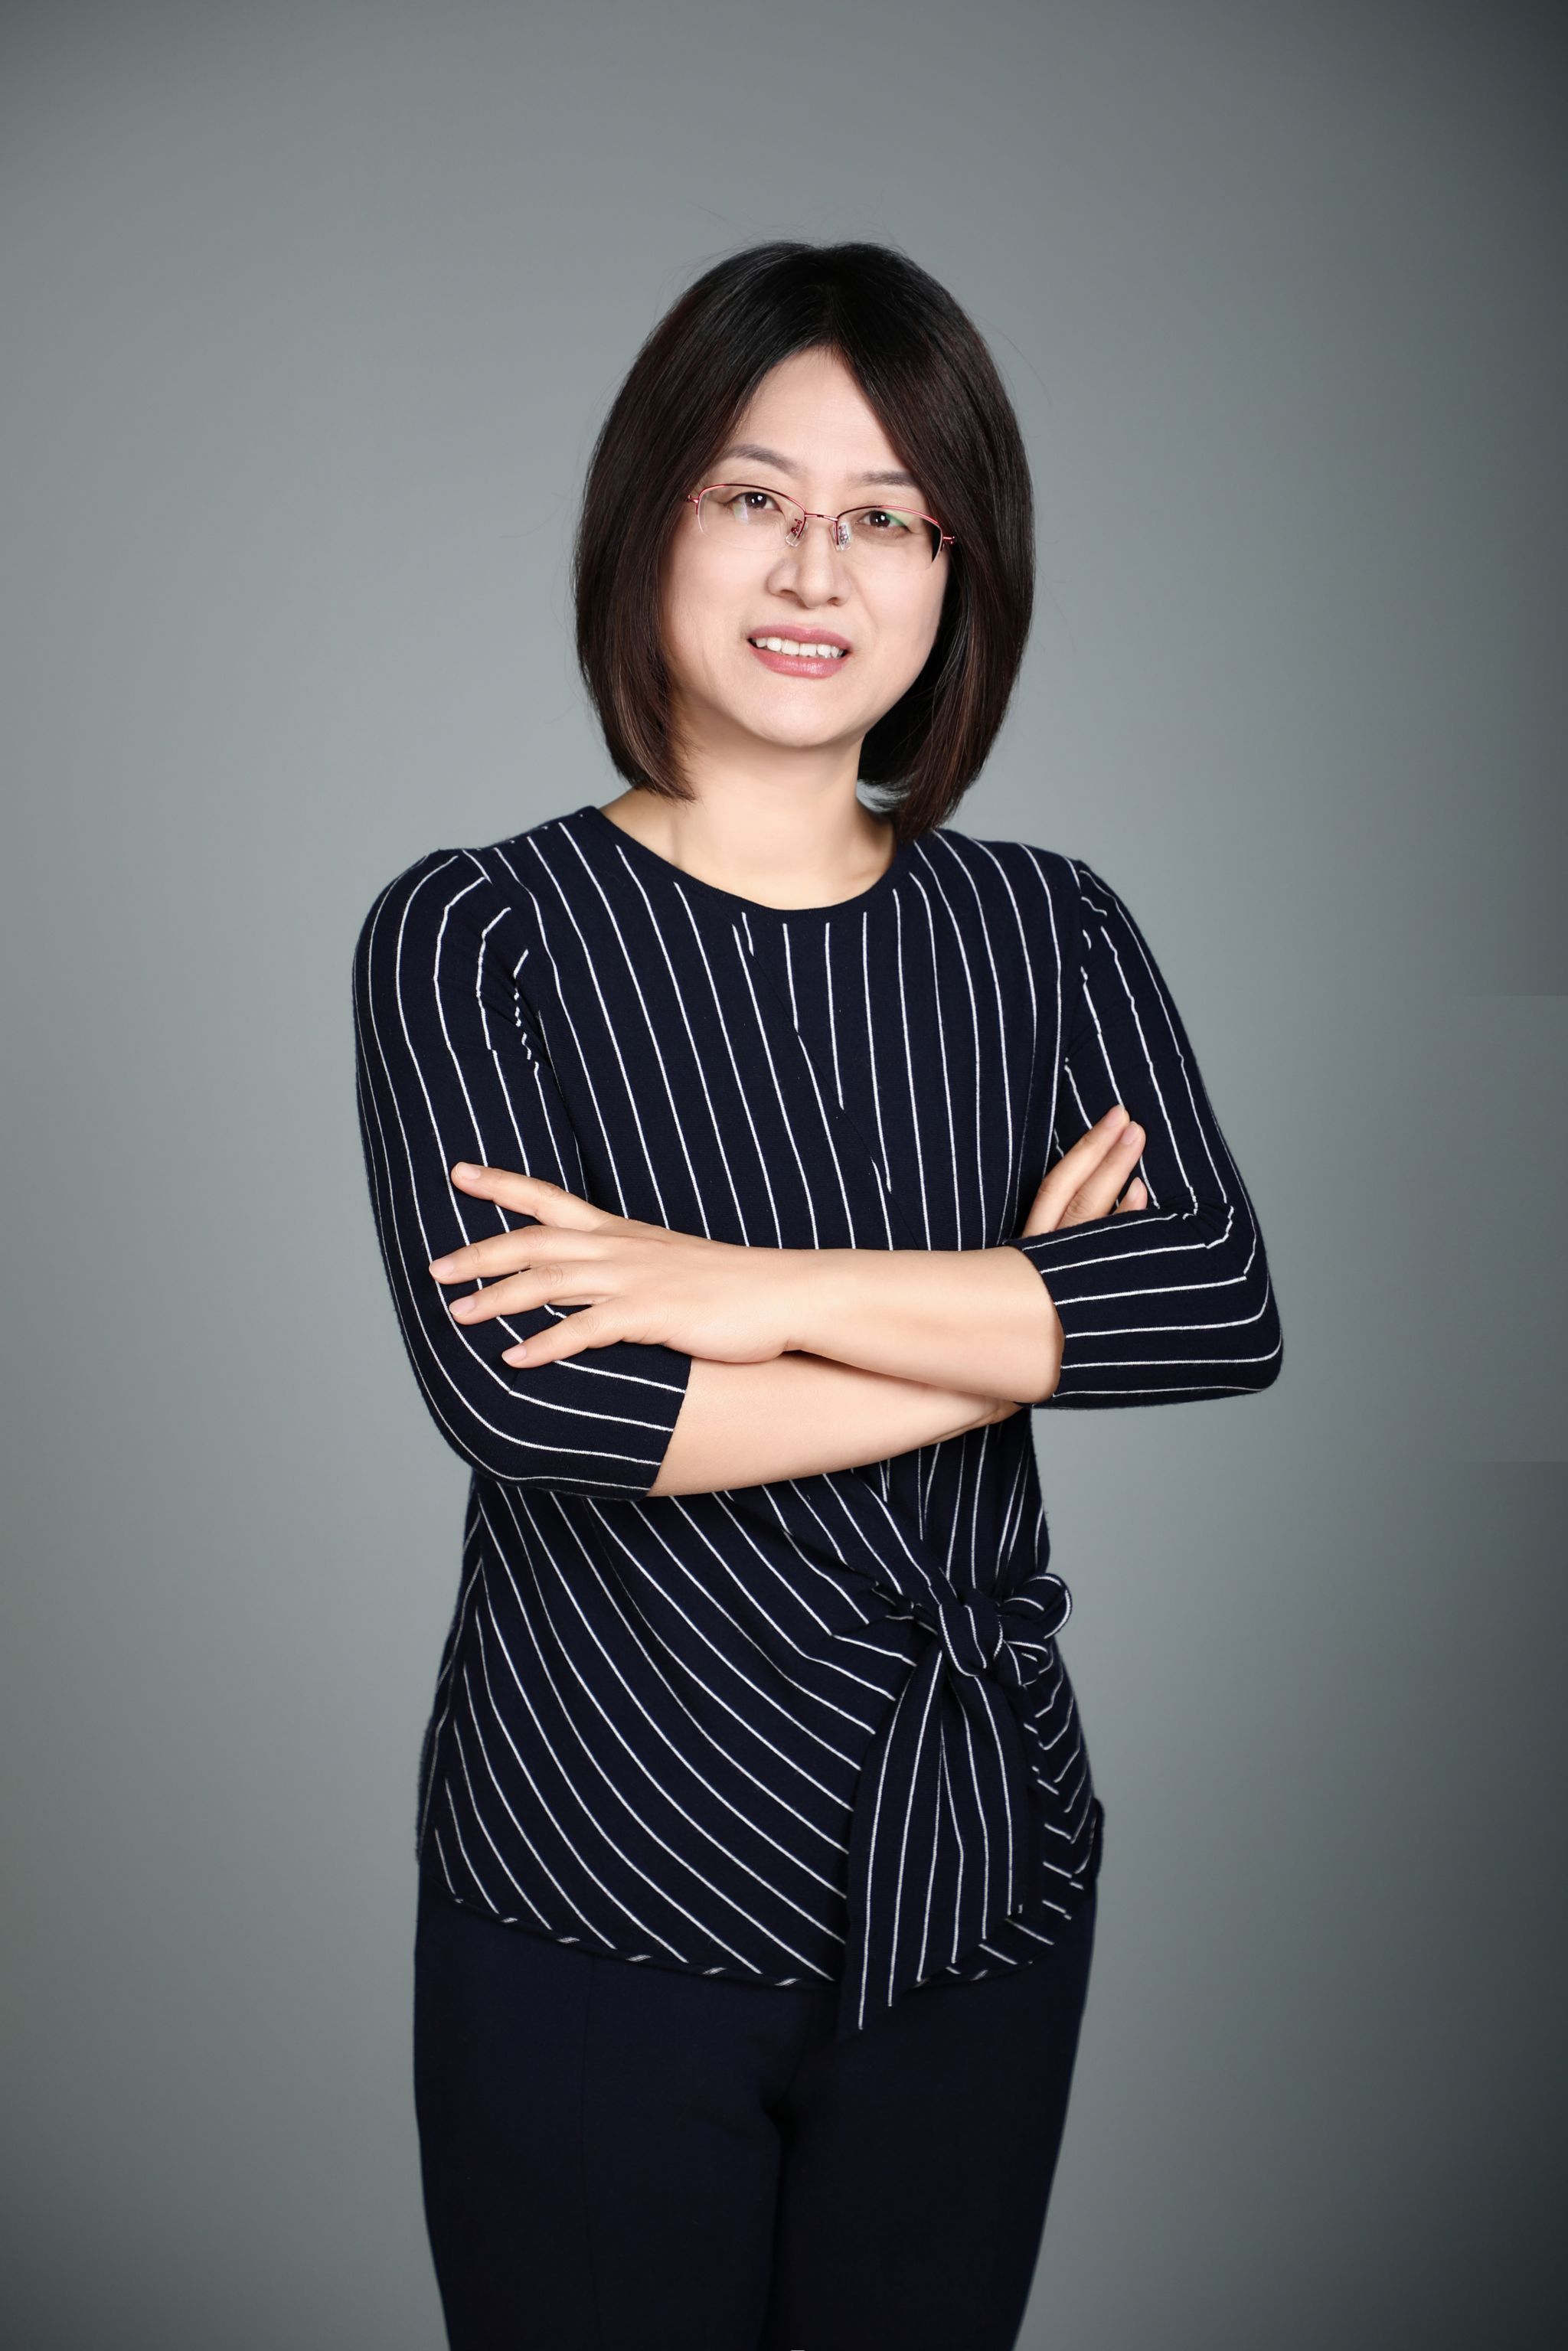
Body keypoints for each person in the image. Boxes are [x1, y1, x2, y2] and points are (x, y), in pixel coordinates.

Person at [351, 239, 1283, 2351]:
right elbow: (550, 1409)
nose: (815, 570)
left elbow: (1214, 1306)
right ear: (651, 517)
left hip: (983, 1876)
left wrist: (732, 1287)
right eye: (756, 497)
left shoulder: (1049, 932)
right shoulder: (477, 932)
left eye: (888, 519)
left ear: (958, 574)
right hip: (599, 1871)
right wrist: (1018, 1319)